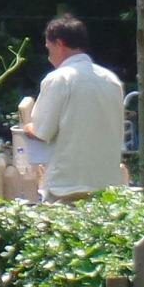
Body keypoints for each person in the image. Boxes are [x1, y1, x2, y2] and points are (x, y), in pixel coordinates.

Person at [23, 15, 125, 202]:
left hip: (67, 186)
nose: (48, 56)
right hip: (108, 187)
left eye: (49, 48)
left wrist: (25, 125)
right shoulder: (111, 80)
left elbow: (40, 131)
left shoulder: (59, 78)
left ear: (59, 43)